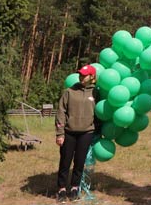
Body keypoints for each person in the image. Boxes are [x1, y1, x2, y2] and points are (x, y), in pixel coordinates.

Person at [55, 65, 98, 203]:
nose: (81, 76)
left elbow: (101, 112)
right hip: (69, 132)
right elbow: (61, 112)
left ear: (92, 77)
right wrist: (60, 133)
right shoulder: (70, 91)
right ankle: (61, 189)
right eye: (80, 74)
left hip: (86, 133)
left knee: (79, 162)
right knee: (65, 162)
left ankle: (74, 188)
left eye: (84, 75)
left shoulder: (96, 93)